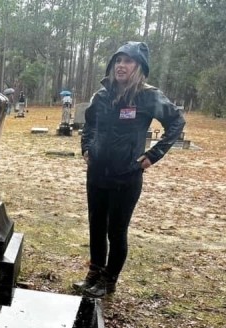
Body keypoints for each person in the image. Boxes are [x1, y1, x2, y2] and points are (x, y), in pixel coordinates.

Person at [74, 41, 185, 298]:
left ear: (139, 67)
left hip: (127, 176)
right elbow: (89, 125)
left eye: (128, 61)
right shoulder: (102, 95)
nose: (121, 66)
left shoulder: (148, 96)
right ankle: (94, 272)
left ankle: (109, 279)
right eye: (118, 61)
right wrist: (87, 148)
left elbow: (176, 121)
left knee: (116, 230)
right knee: (96, 225)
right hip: (98, 173)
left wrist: (153, 155)